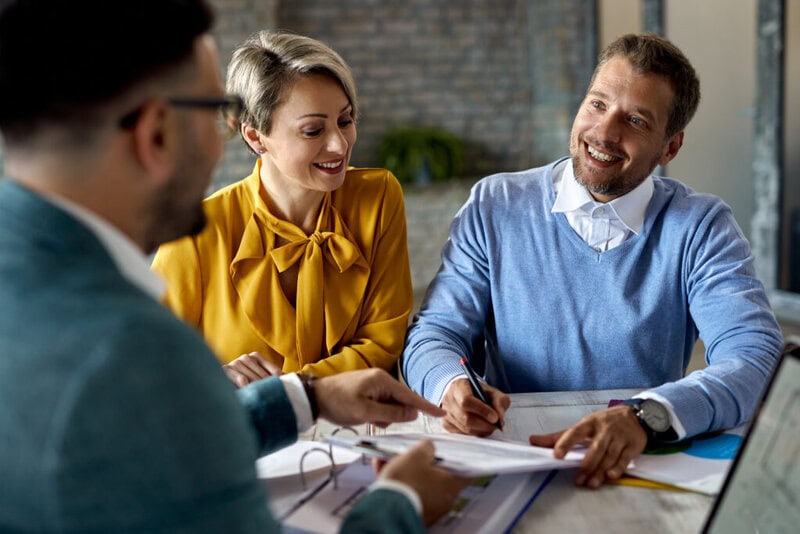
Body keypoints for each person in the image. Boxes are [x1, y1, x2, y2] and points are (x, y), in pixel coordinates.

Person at [0, 1, 466, 531]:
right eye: (212, 110)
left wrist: (304, 397)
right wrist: (401, 501)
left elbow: (159, 449)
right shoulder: (135, 347)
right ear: (157, 133)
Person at [402, 33, 784, 488]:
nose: (604, 132)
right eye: (598, 104)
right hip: (509, 456)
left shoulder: (702, 227)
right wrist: (450, 385)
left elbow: (757, 360)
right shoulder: (495, 203)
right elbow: (434, 332)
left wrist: (647, 418)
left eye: (637, 120)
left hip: (633, 463)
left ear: (670, 147)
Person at [152, 30, 413, 387]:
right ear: (255, 137)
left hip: (358, 435)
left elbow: (384, 341)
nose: (339, 144)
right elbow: (149, 367)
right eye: (312, 131)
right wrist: (215, 378)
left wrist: (285, 391)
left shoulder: (378, 197)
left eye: (346, 120)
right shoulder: (194, 232)